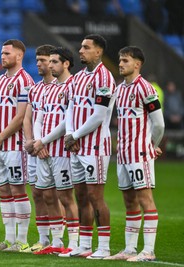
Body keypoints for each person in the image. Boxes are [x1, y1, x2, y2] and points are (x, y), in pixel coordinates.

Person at [104, 46, 165, 262]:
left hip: (140, 153)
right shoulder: (120, 89)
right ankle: (129, 249)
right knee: (129, 201)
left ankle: (148, 250)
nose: (120, 64)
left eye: (125, 61)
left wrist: (151, 144)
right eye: (120, 60)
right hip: (123, 154)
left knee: (145, 199)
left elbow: (159, 123)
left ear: (137, 64)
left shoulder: (146, 88)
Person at [62, 34, 116, 259]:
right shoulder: (76, 79)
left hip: (95, 146)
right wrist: (69, 135)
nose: (81, 51)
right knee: (81, 196)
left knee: (96, 197)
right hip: (76, 146)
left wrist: (74, 135)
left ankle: (103, 246)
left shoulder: (105, 77)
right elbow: (70, 110)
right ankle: (84, 245)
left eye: (86, 47)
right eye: (81, 47)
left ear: (98, 51)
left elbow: (99, 116)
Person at [0, 39, 34, 252]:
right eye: (2, 53)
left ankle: (21, 241)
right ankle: (8, 239)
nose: (3, 56)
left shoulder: (25, 81)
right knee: (3, 191)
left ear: (19, 56)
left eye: (7, 53)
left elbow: (21, 116)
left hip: (14, 146)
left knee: (18, 190)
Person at [32, 47, 80, 255]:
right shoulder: (49, 88)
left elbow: (66, 122)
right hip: (44, 151)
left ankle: (75, 242)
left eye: (53, 62)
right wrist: (37, 142)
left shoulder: (73, 86)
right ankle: (57, 241)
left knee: (66, 197)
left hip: (62, 151)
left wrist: (42, 141)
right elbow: (39, 118)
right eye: (49, 62)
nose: (49, 65)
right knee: (48, 196)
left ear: (66, 63)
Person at [21, 44, 59, 253]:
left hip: (54, 148)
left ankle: (58, 239)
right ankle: (43, 239)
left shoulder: (62, 87)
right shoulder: (35, 89)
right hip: (36, 148)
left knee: (55, 194)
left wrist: (43, 143)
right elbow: (28, 118)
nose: (39, 64)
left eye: (43, 60)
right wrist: (31, 141)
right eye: (37, 60)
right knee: (37, 193)